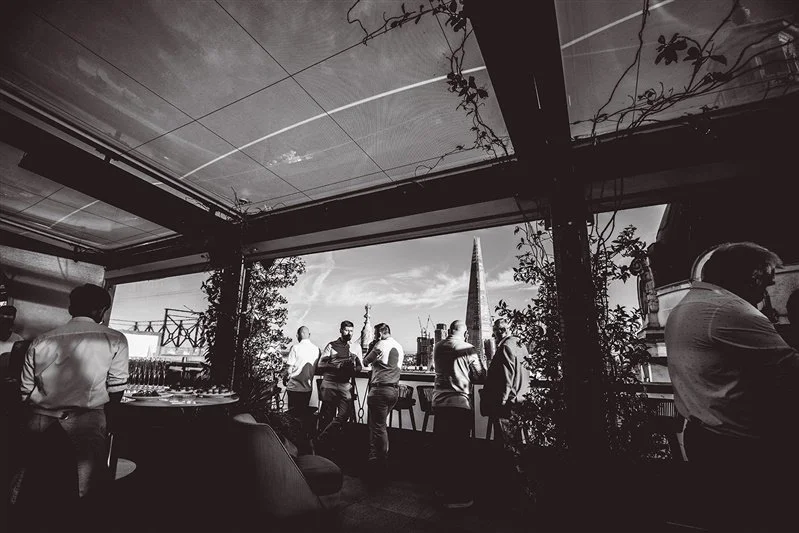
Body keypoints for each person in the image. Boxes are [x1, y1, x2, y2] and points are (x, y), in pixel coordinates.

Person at [665, 242, 799, 531]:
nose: (767, 291)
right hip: (742, 450)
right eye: (766, 281)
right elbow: (791, 371)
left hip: (704, 434)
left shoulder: (686, 306)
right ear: (750, 276)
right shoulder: (729, 309)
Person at [19, 284, 129, 504]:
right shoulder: (115, 338)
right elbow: (116, 388)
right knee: (85, 487)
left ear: (71, 309)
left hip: (40, 418)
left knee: (31, 478)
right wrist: (109, 421)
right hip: (86, 421)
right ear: (101, 310)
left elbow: (25, 389)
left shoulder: (42, 340)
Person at [431, 319, 486, 509]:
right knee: (459, 451)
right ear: (464, 333)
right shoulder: (468, 348)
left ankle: (441, 489)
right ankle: (459, 496)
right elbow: (480, 376)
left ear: (449, 330)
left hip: (438, 402)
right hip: (459, 403)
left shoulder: (437, 347)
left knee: (442, 449)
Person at [316, 320, 363, 454]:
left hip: (345, 385)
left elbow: (359, 366)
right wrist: (337, 366)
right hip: (329, 383)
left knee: (344, 414)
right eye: (347, 330)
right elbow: (320, 365)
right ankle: (327, 447)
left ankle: (322, 438)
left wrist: (355, 369)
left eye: (351, 331)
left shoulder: (356, 347)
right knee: (328, 415)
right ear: (341, 330)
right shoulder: (331, 345)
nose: (349, 333)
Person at [481, 318, 530, 444]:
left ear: (502, 331)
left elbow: (506, 377)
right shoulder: (521, 345)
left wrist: (501, 401)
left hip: (507, 404)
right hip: (521, 398)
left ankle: (506, 463)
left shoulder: (505, 347)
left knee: (505, 442)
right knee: (517, 440)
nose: (493, 335)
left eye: (494, 332)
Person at [363, 323, 403, 472]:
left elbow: (365, 361)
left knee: (378, 427)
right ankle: (375, 456)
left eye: (375, 334)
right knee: (378, 425)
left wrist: (371, 349)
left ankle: (381, 460)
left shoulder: (380, 344)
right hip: (393, 391)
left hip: (380, 390)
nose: (374, 337)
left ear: (379, 334)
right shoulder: (399, 346)